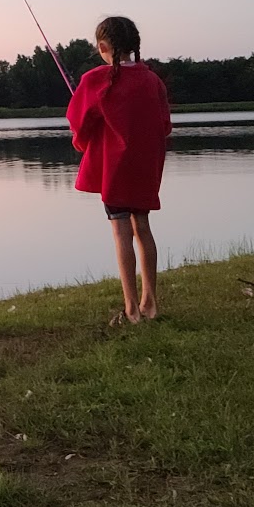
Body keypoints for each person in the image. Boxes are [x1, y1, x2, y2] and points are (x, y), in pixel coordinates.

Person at [66, 16, 172, 325]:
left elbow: (78, 122)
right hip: (143, 168)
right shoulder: (153, 81)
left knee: (121, 233)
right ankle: (150, 304)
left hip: (114, 170)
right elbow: (163, 126)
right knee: (143, 228)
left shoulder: (95, 80)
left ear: (102, 47)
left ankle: (131, 309)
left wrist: (82, 139)